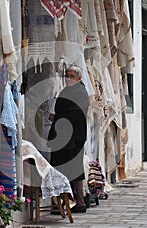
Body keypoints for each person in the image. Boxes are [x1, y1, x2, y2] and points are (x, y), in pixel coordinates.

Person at [48, 65, 89, 213]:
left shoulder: (79, 92)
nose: (69, 78)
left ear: (79, 78)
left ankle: (76, 201)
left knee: (70, 169)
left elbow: (75, 115)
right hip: (67, 136)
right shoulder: (70, 90)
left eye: (72, 76)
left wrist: (56, 117)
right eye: (67, 75)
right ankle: (73, 202)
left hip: (72, 138)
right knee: (68, 168)